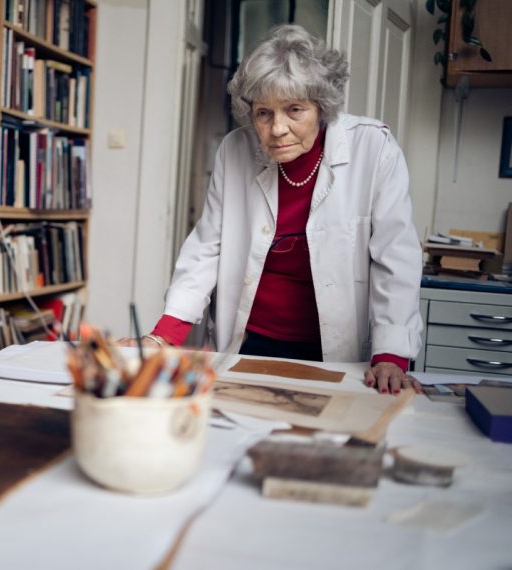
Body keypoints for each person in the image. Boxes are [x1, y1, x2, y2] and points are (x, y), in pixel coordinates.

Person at [138, 24, 424, 396]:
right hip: (248, 340)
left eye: (294, 110)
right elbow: (207, 247)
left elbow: (395, 256)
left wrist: (391, 355)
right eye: (263, 113)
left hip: (334, 346)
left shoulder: (373, 148)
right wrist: (165, 335)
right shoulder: (234, 149)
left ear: (321, 107)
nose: (278, 129)